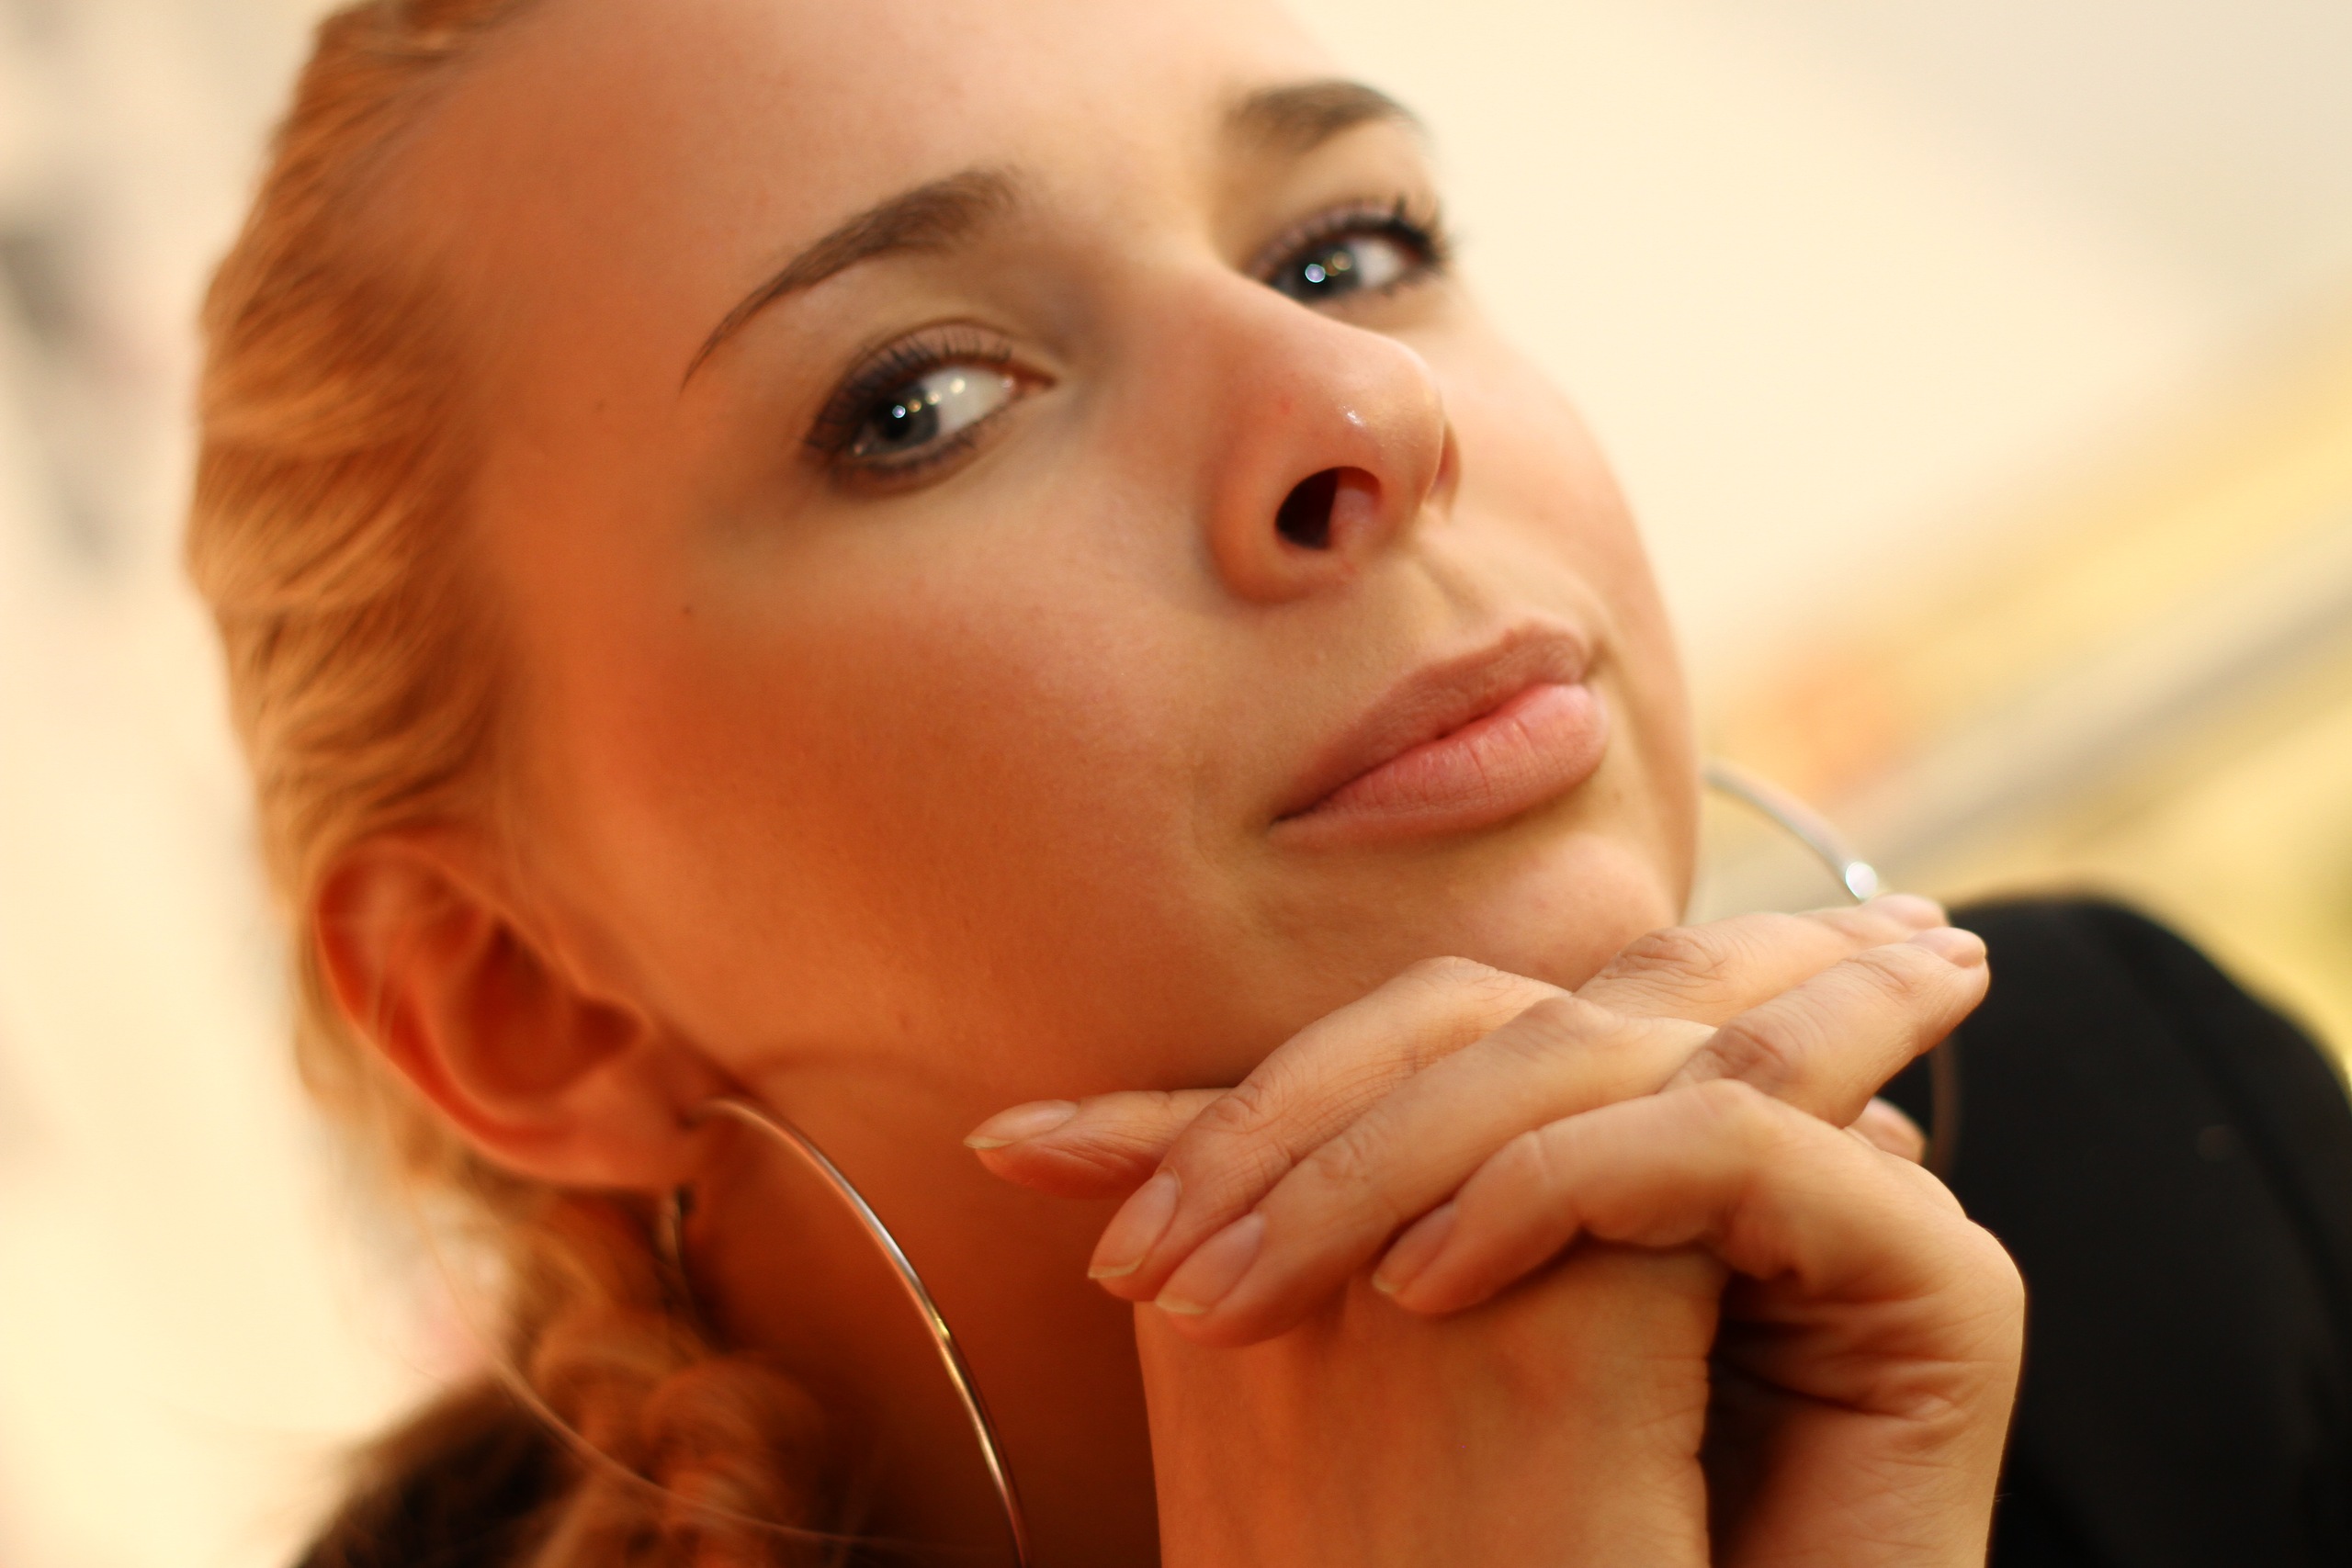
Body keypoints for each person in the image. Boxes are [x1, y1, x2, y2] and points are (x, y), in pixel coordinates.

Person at [183, 0, 2346, 1563]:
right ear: (521, 999)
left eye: (1346, 248)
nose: (1362, 409)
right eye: (922, 401)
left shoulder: (2151, 1156)